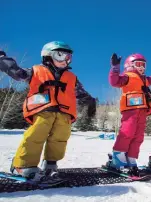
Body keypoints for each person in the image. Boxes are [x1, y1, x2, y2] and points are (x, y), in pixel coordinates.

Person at [0, 41, 96, 180]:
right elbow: (17, 73)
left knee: (60, 138)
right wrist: (3, 59)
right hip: (43, 109)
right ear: (48, 56)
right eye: (61, 55)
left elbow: (81, 93)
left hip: (64, 113)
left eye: (69, 56)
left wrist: (90, 102)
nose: (66, 60)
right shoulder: (36, 71)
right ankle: (22, 165)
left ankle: (50, 164)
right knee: (36, 135)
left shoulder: (71, 78)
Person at [106, 53, 151, 176]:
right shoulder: (127, 77)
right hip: (130, 110)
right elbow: (114, 81)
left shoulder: (144, 79)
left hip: (142, 112)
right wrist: (115, 68)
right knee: (127, 133)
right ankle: (118, 160)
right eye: (139, 64)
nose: (142, 68)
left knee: (138, 137)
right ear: (130, 65)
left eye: (144, 65)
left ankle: (131, 159)